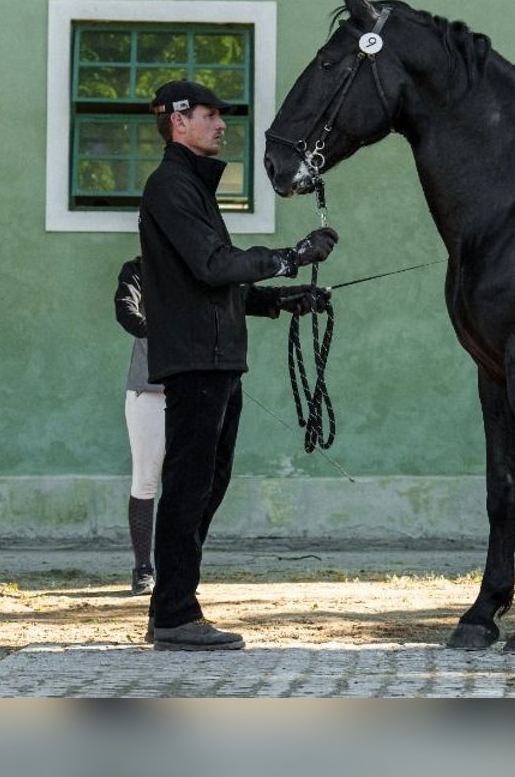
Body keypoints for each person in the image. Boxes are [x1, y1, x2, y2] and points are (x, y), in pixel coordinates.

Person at [139, 79, 336, 651]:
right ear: (178, 121)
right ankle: (176, 614)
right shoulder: (171, 186)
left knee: (206, 485)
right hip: (198, 362)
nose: (222, 125)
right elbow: (211, 264)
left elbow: (213, 281)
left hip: (217, 360)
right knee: (189, 485)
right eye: (210, 115)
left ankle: (169, 609)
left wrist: (281, 298)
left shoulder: (190, 188)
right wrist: (290, 257)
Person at [114, 255, 163, 596]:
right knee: (145, 480)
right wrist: (156, 331)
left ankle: (179, 568)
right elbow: (125, 310)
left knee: (189, 481)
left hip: (194, 387)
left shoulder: (200, 262)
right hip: (148, 388)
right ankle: (143, 568)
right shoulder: (139, 270)